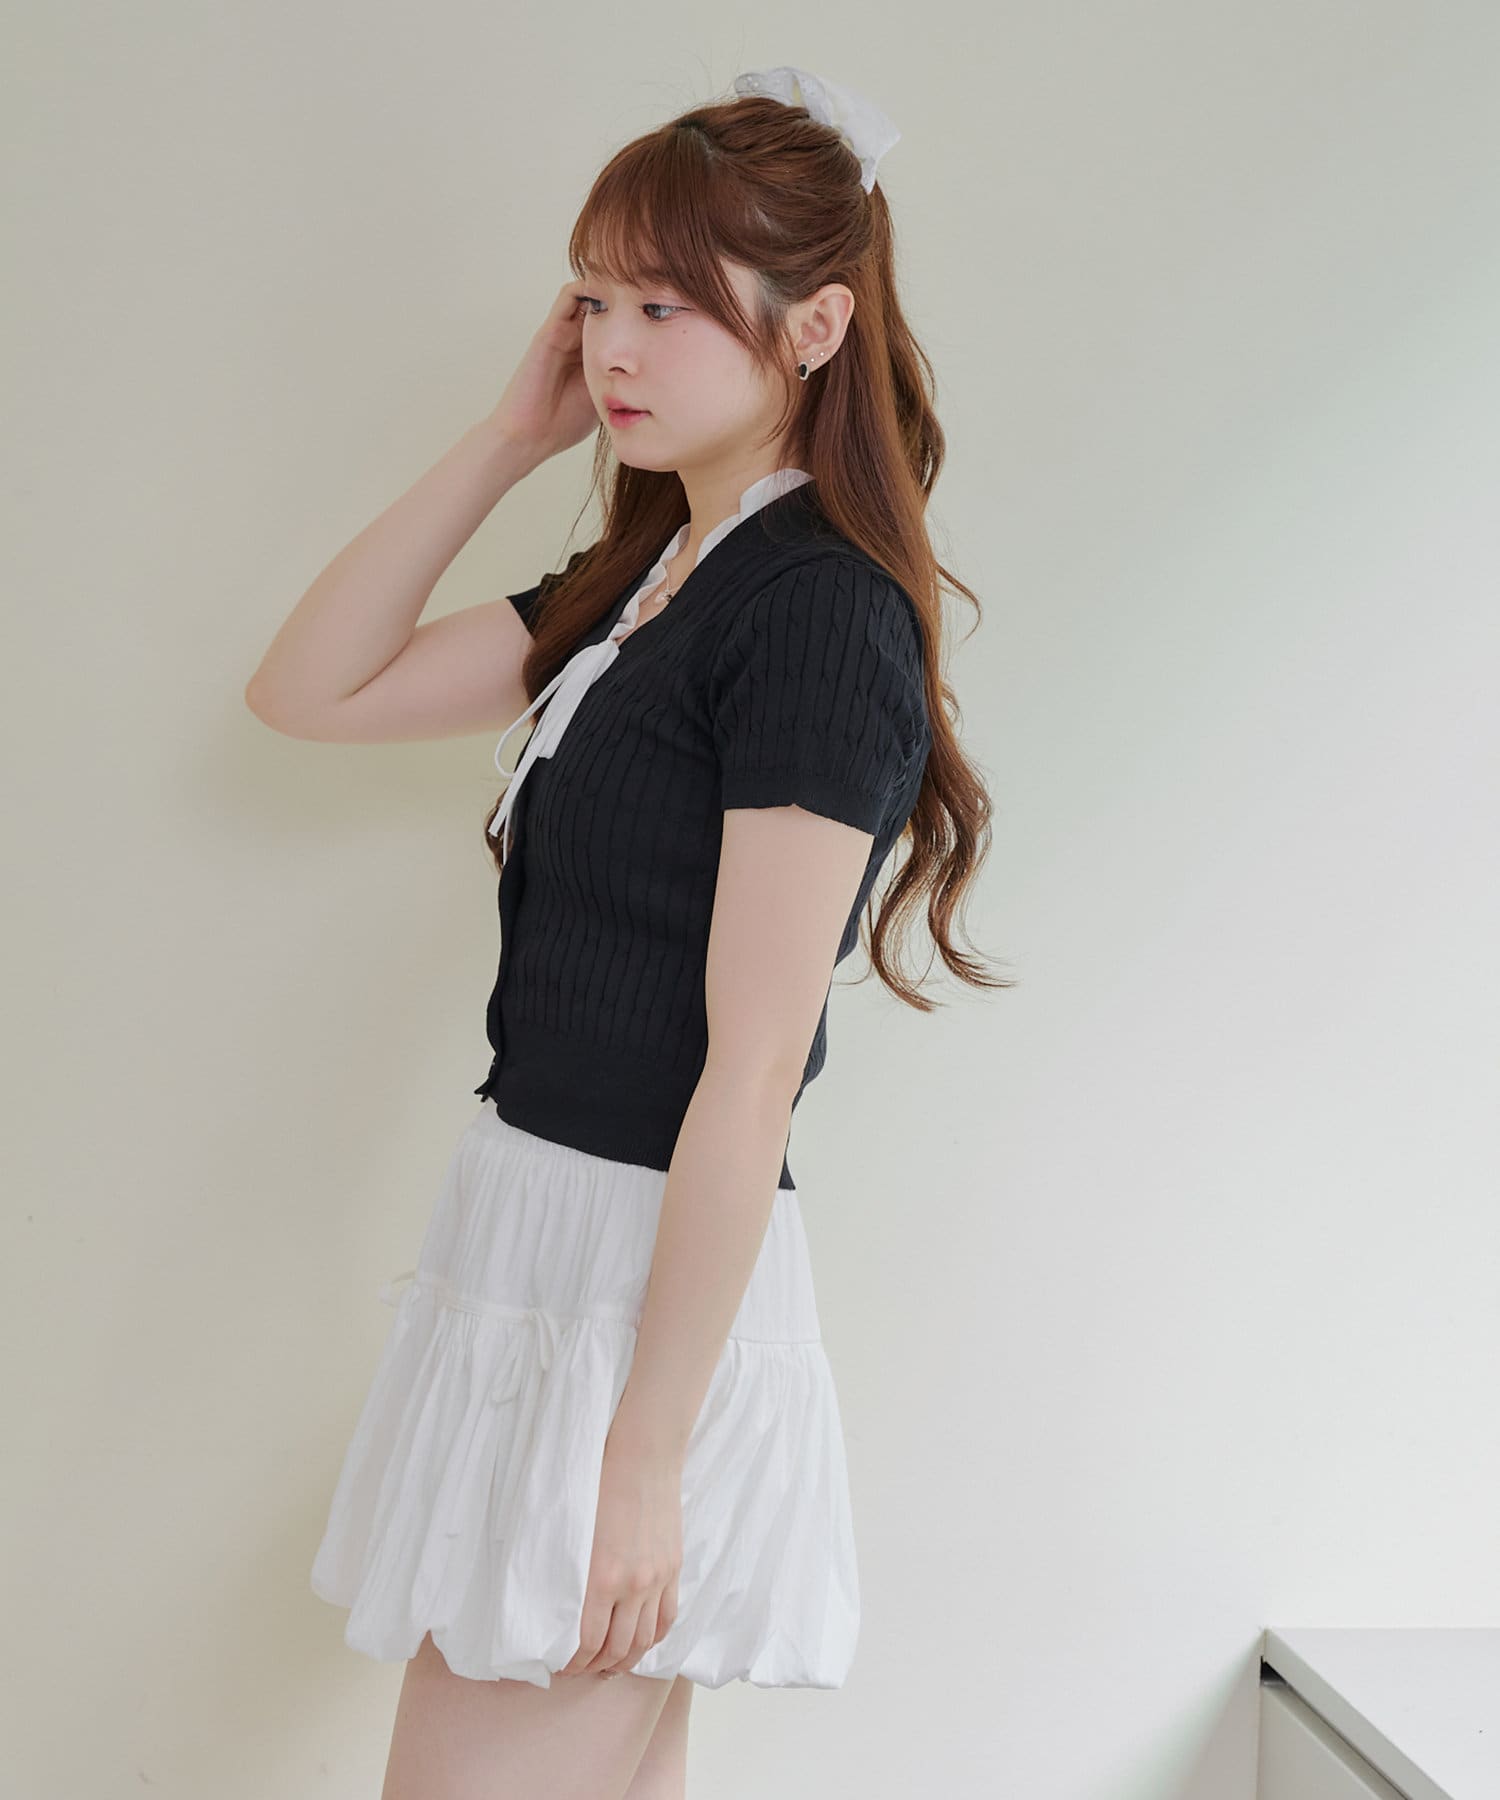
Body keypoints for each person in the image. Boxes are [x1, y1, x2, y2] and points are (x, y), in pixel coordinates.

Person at [246, 64, 1004, 1800]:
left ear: (816, 328)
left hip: (639, 1289)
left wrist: (644, 1461)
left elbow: (752, 1073)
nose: (613, 349)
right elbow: (311, 689)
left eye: (666, 306)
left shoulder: (812, 617)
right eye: (595, 300)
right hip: (539, 1245)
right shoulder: (651, 582)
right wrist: (511, 441)